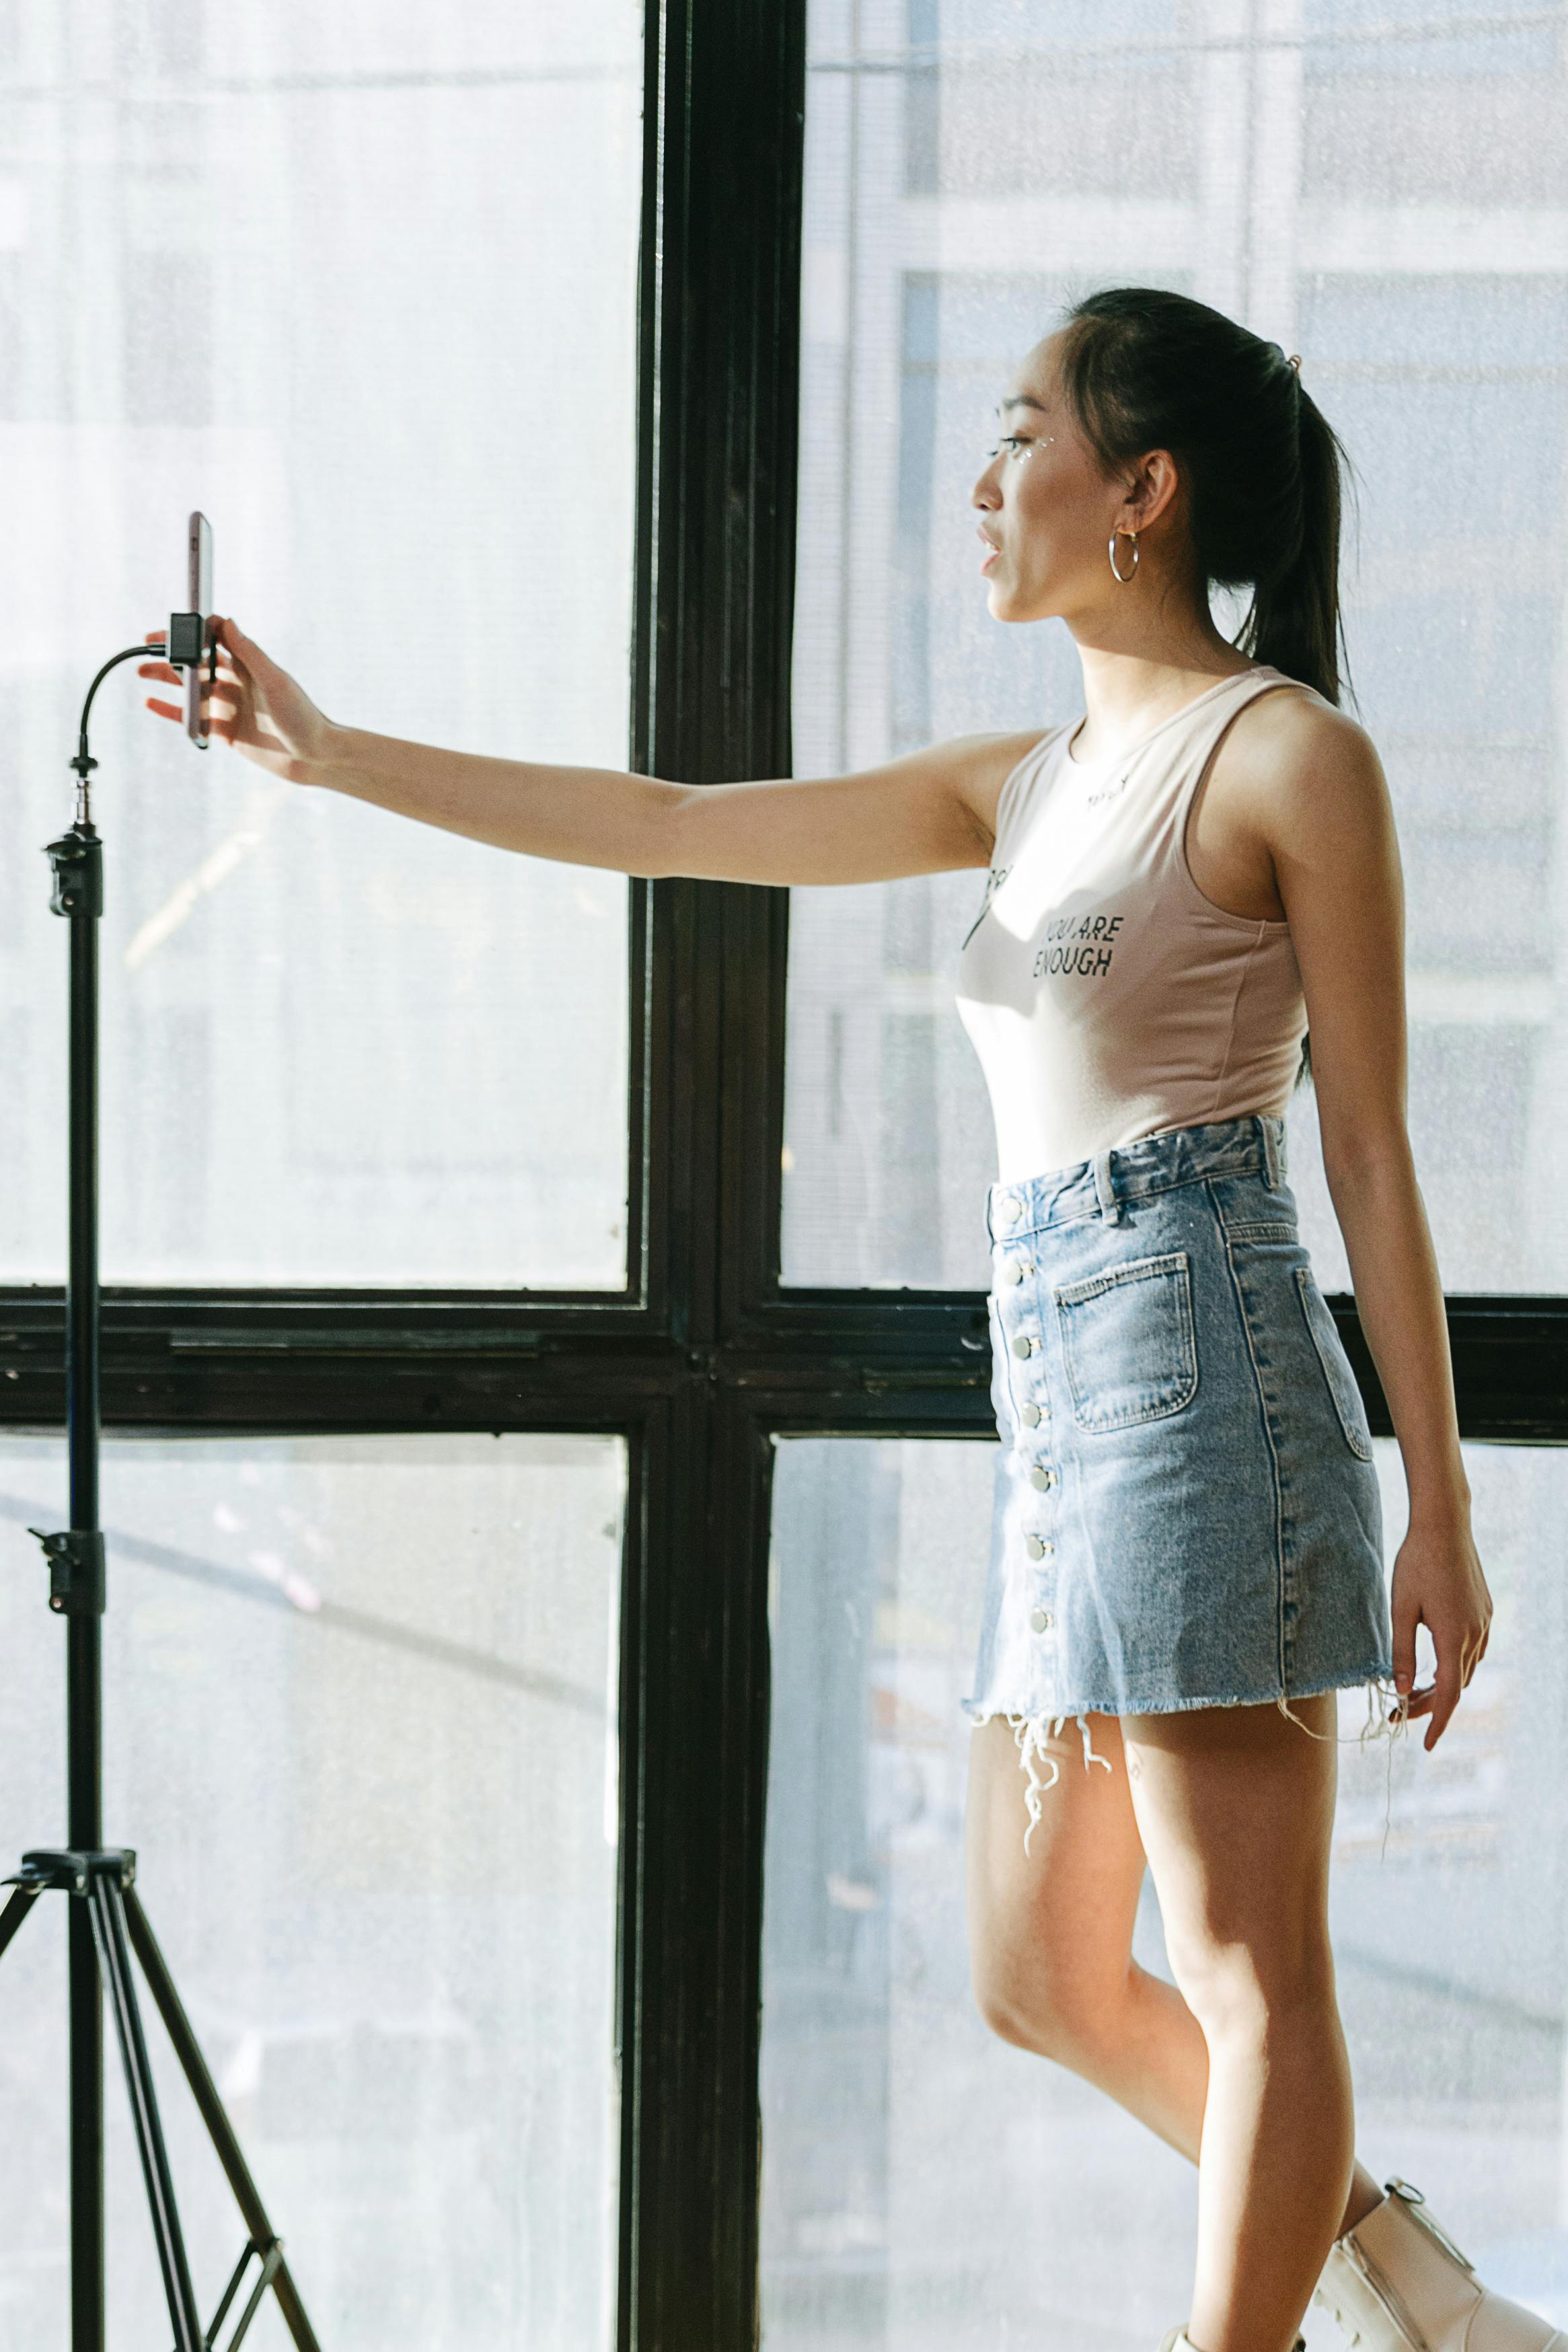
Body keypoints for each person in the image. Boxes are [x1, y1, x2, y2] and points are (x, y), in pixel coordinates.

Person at [138, 285, 1540, 2352]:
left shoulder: (1285, 757)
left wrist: (1439, 1505)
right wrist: (331, 757)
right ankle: (1403, 2282)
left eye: (1018, 433)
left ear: (1137, 492)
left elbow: (1370, 1159)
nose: (984, 480)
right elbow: (674, 826)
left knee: (1255, 1976)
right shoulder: (1028, 775)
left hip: (1208, 1367)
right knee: (1034, 1973)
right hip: (1061, 1403)